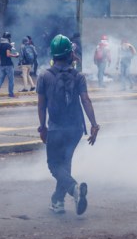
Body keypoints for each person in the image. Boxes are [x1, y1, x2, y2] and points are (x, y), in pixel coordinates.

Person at [37, 34, 100, 215]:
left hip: (56, 129)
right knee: (65, 164)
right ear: (69, 54)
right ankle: (58, 201)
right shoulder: (78, 76)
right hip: (75, 129)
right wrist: (94, 125)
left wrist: (42, 128)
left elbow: (41, 106)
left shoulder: (44, 76)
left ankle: (74, 190)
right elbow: (86, 100)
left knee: (54, 165)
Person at [0, 31, 19, 99]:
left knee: (0, 79)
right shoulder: (8, 45)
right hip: (8, 65)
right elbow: (8, 54)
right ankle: (11, 94)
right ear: (8, 38)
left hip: (2, 64)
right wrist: (15, 55)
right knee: (11, 80)